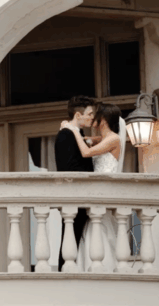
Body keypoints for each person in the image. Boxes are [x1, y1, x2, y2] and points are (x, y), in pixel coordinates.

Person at [61, 103, 126, 272]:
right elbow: (85, 142)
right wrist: (69, 129)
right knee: (91, 233)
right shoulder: (104, 139)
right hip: (94, 193)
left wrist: (73, 130)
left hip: (101, 192)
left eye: (95, 115)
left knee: (100, 230)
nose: (92, 118)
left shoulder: (113, 138)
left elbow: (85, 153)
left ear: (103, 120)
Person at [53, 95, 96, 271]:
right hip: (75, 195)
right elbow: (67, 167)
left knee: (78, 239)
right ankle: (63, 274)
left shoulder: (77, 134)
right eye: (90, 114)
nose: (92, 117)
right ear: (78, 115)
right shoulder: (65, 135)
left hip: (82, 196)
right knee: (70, 238)